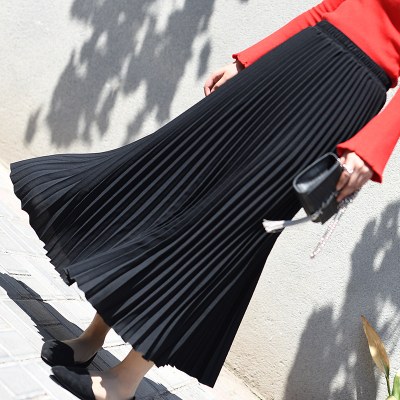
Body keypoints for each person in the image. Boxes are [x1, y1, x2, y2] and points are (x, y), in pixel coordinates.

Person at [9, 0, 400, 399]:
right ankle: (94, 335)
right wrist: (249, 61)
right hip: (294, 59)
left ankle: (125, 378)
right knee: (178, 182)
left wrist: (370, 149)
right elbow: (332, 6)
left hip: (343, 96)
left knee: (230, 225)